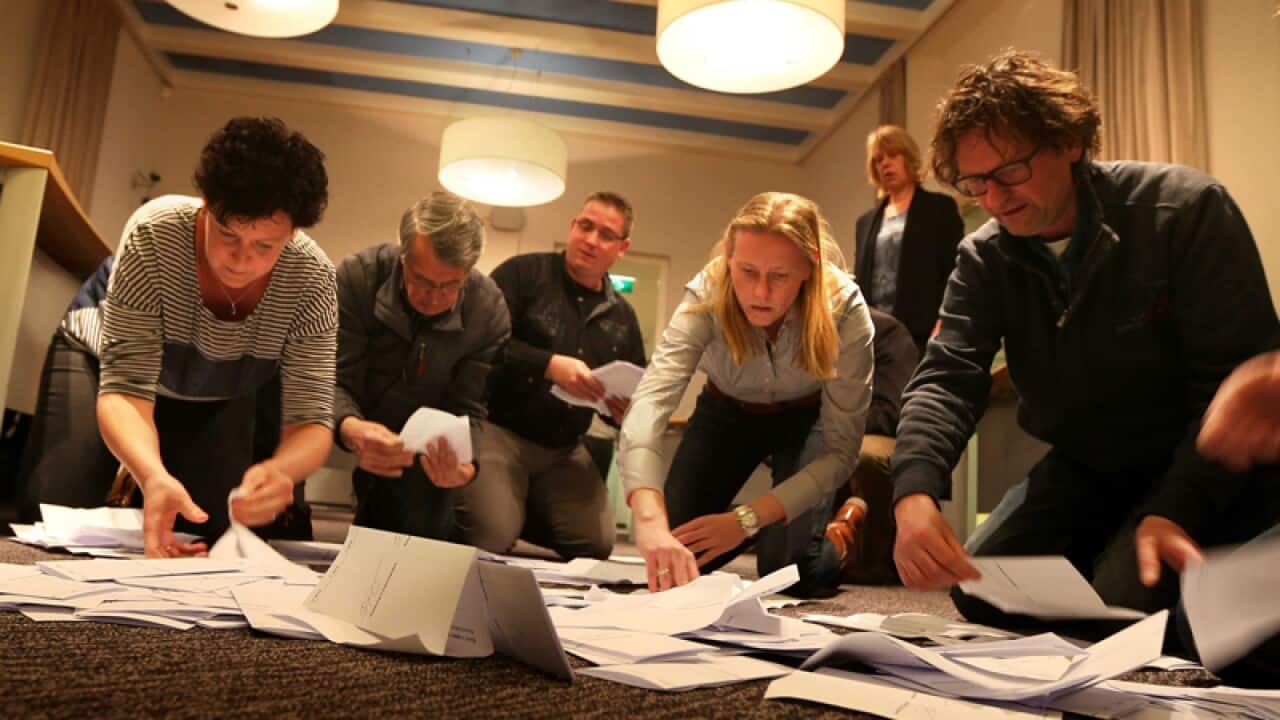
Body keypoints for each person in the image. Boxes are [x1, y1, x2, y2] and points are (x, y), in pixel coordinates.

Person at [889, 50, 1280, 627]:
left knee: (1124, 602)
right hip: (1087, 467)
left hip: (1194, 460)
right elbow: (947, 378)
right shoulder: (983, 257)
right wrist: (913, 491)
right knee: (983, 593)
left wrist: (1178, 505)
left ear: (1069, 139)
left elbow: (1230, 394)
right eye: (975, 184)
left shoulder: (1185, 211)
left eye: (1010, 172)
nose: (994, 199)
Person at [17, 116, 338, 557]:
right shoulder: (157, 230)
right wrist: (151, 474)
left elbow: (311, 420)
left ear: (293, 233)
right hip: (103, 365)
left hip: (219, 386)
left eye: (265, 246)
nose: (241, 260)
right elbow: (126, 391)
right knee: (56, 512)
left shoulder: (312, 279)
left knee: (212, 528)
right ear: (205, 204)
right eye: (228, 234)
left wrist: (282, 470)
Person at [618, 192, 874, 596]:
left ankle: (838, 532)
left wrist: (746, 521)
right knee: (680, 554)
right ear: (729, 259)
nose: (760, 292)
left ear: (809, 268)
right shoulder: (707, 292)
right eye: (747, 271)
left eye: (780, 276)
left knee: (789, 572)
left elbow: (841, 453)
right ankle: (771, 528)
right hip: (726, 411)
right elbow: (651, 400)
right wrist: (649, 519)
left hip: (805, 418)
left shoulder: (845, 308)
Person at [456, 192, 646, 559]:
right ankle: (499, 507)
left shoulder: (624, 318)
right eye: (585, 226)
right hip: (499, 429)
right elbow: (481, 340)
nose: (591, 240)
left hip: (564, 448)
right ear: (573, 227)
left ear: (621, 248)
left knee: (596, 545)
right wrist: (547, 365)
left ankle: (515, 506)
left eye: (605, 235)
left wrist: (620, 412)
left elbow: (634, 387)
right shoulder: (522, 273)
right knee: (489, 536)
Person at [333, 192, 511, 540]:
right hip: (356, 412)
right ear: (402, 259)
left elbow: (469, 405)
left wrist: (465, 465)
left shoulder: (487, 309)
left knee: (424, 529)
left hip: (426, 434)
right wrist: (350, 427)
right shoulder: (358, 278)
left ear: (469, 272)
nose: (434, 297)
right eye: (423, 281)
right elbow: (333, 378)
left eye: (451, 286)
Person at [855, 125, 964, 356]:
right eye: (878, 160)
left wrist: (944, 323)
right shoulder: (865, 223)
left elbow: (956, 272)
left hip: (924, 333)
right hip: (876, 337)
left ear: (909, 157)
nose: (885, 164)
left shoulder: (939, 209)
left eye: (893, 155)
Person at [829, 306, 919, 585]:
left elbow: (892, 412)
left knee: (864, 456)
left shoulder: (888, 333)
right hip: (832, 435)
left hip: (878, 434)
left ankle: (873, 560)